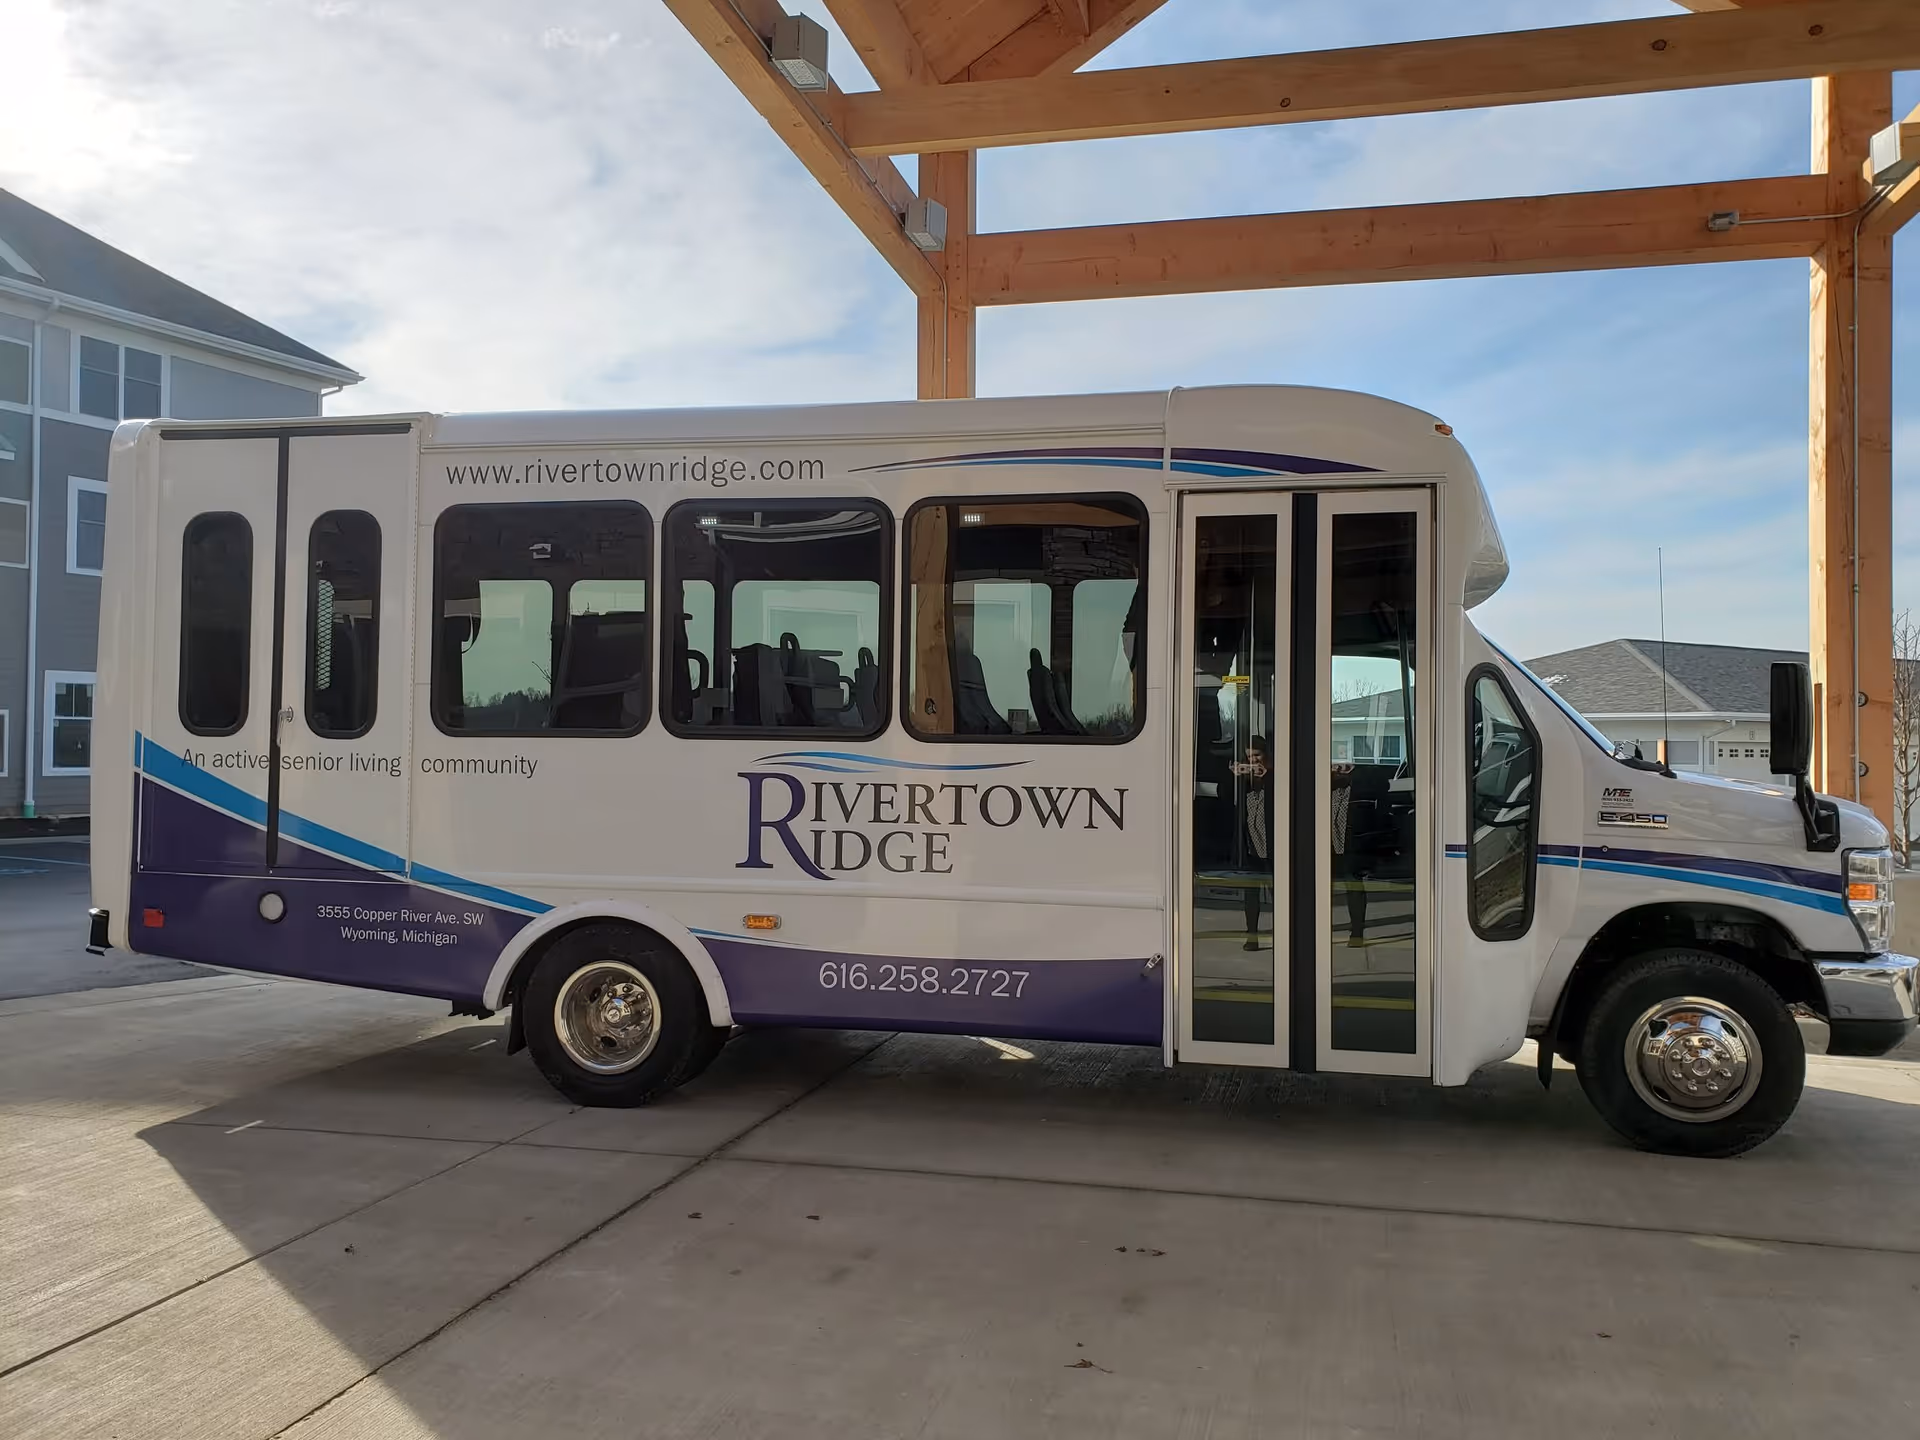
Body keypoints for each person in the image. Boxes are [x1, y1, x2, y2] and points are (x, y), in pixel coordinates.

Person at [1238, 736, 1273, 950]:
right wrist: (1238, 777)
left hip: (1273, 845)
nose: (1252, 760)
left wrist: (1266, 775)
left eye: (1256, 755)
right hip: (1251, 844)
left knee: (1277, 893)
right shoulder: (1245, 778)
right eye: (1249, 756)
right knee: (1251, 895)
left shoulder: (1275, 775)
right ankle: (1252, 936)